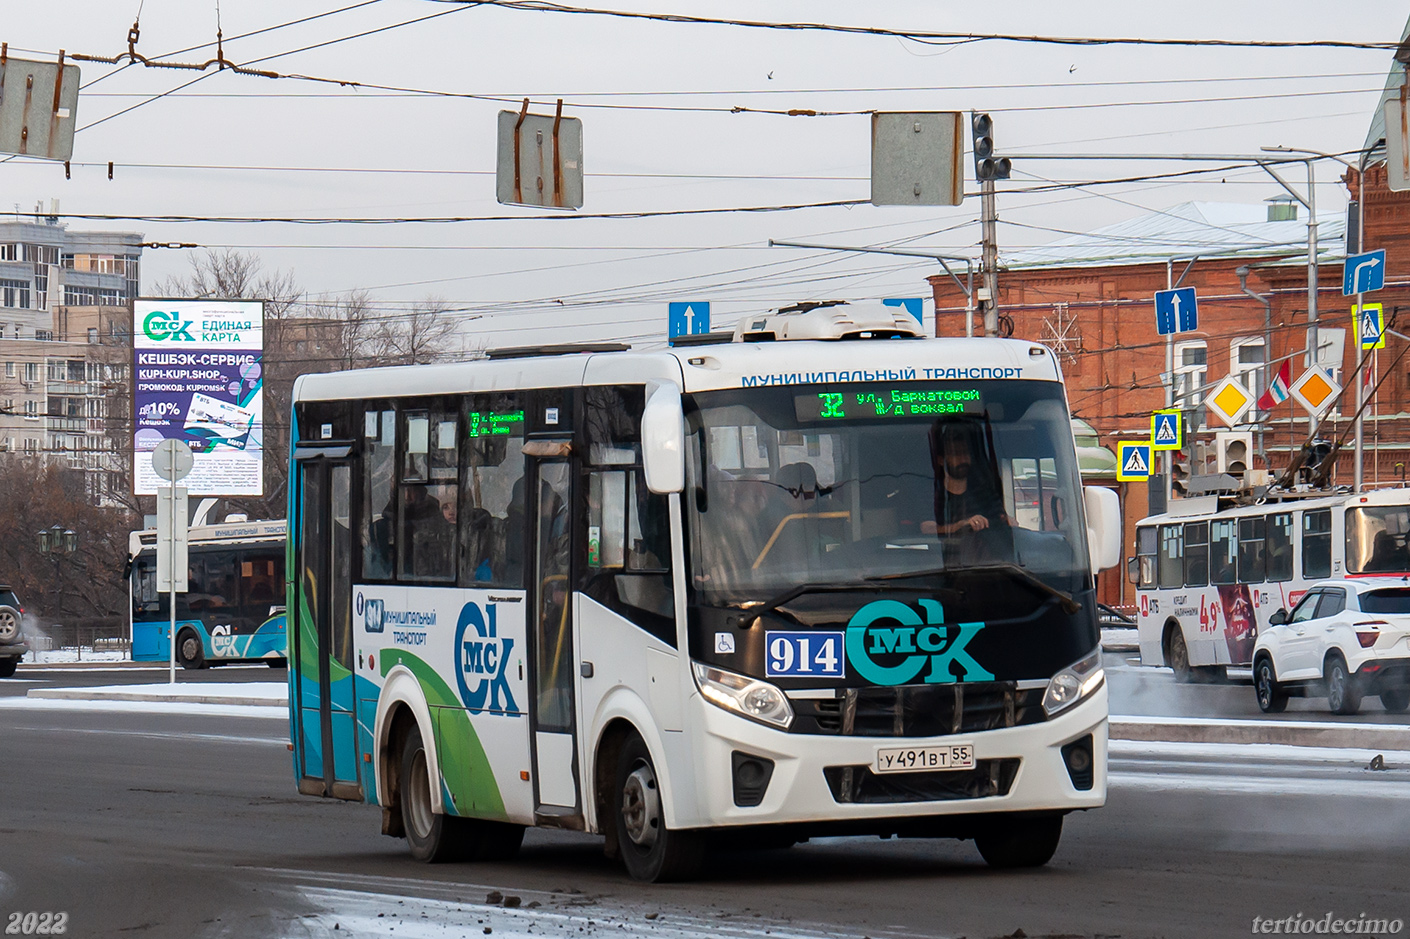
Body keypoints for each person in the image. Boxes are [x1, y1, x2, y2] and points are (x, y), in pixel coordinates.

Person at [921, 421, 1009, 538]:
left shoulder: (985, 493)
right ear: (941, 460)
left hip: (985, 555)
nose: (962, 459)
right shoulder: (932, 494)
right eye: (956, 454)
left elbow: (1000, 518)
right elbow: (926, 528)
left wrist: (1008, 522)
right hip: (939, 555)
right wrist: (962, 525)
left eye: (965, 453)